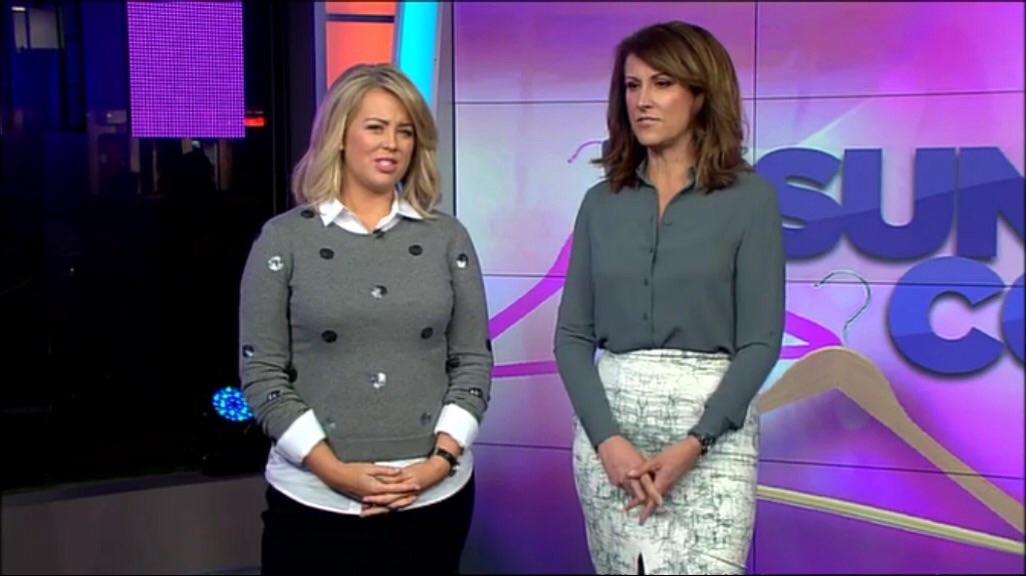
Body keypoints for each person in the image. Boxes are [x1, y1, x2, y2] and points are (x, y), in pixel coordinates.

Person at [238, 63, 493, 575]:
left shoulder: (448, 238)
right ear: (338, 135)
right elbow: (261, 372)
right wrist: (333, 470)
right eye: (376, 127)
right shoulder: (284, 240)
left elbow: (472, 361)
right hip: (313, 502)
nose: (392, 144)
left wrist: (437, 464)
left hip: (433, 498)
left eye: (405, 131)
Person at [554, 21, 785, 575]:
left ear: (701, 94)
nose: (643, 101)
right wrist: (607, 440)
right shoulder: (600, 203)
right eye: (632, 86)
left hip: (712, 440)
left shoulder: (750, 199)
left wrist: (695, 443)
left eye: (662, 84)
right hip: (611, 439)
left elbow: (760, 341)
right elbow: (572, 337)